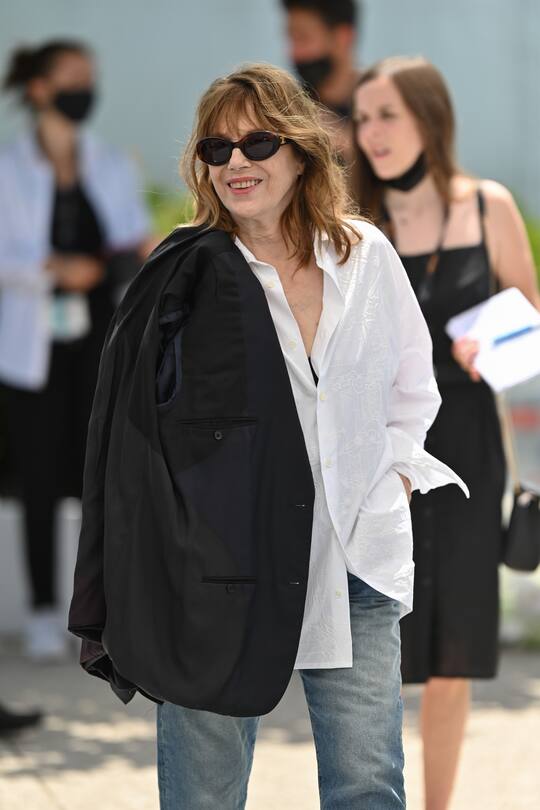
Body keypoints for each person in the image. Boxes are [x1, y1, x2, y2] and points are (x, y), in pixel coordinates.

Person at [68, 63, 466, 809]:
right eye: (217, 151)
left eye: (256, 143)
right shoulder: (185, 277)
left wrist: (393, 484)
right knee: (204, 793)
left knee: (365, 788)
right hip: (220, 567)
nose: (237, 163)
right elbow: (133, 434)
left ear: (301, 150)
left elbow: (414, 388)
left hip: (355, 560)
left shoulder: (365, 257)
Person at [352, 56, 540, 810]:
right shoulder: (355, 219)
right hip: (379, 451)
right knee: (374, 643)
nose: (372, 133)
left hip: (465, 448)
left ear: (430, 118)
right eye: (363, 118)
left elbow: (531, 328)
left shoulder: (487, 206)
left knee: (455, 647)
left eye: (387, 114)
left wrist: (491, 344)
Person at [0, 40, 154, 662]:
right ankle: (41, 611)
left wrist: (97, 269)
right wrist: (49, 270)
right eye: (72, 79)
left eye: (90, 78)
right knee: (37, 476)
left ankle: (106, 610)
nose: (85, 89)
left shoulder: (111, 163)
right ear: (38, 87)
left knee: (103, 475)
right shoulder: (8, 167)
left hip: (99, 341)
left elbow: (135, 241)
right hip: (30, 346)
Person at [281, 0, 361, 162]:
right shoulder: (287, 108)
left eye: (303, 38)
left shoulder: (383, 101)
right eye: (291, 38)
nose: (294, 53)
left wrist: (345, 145)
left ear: (343, 38)